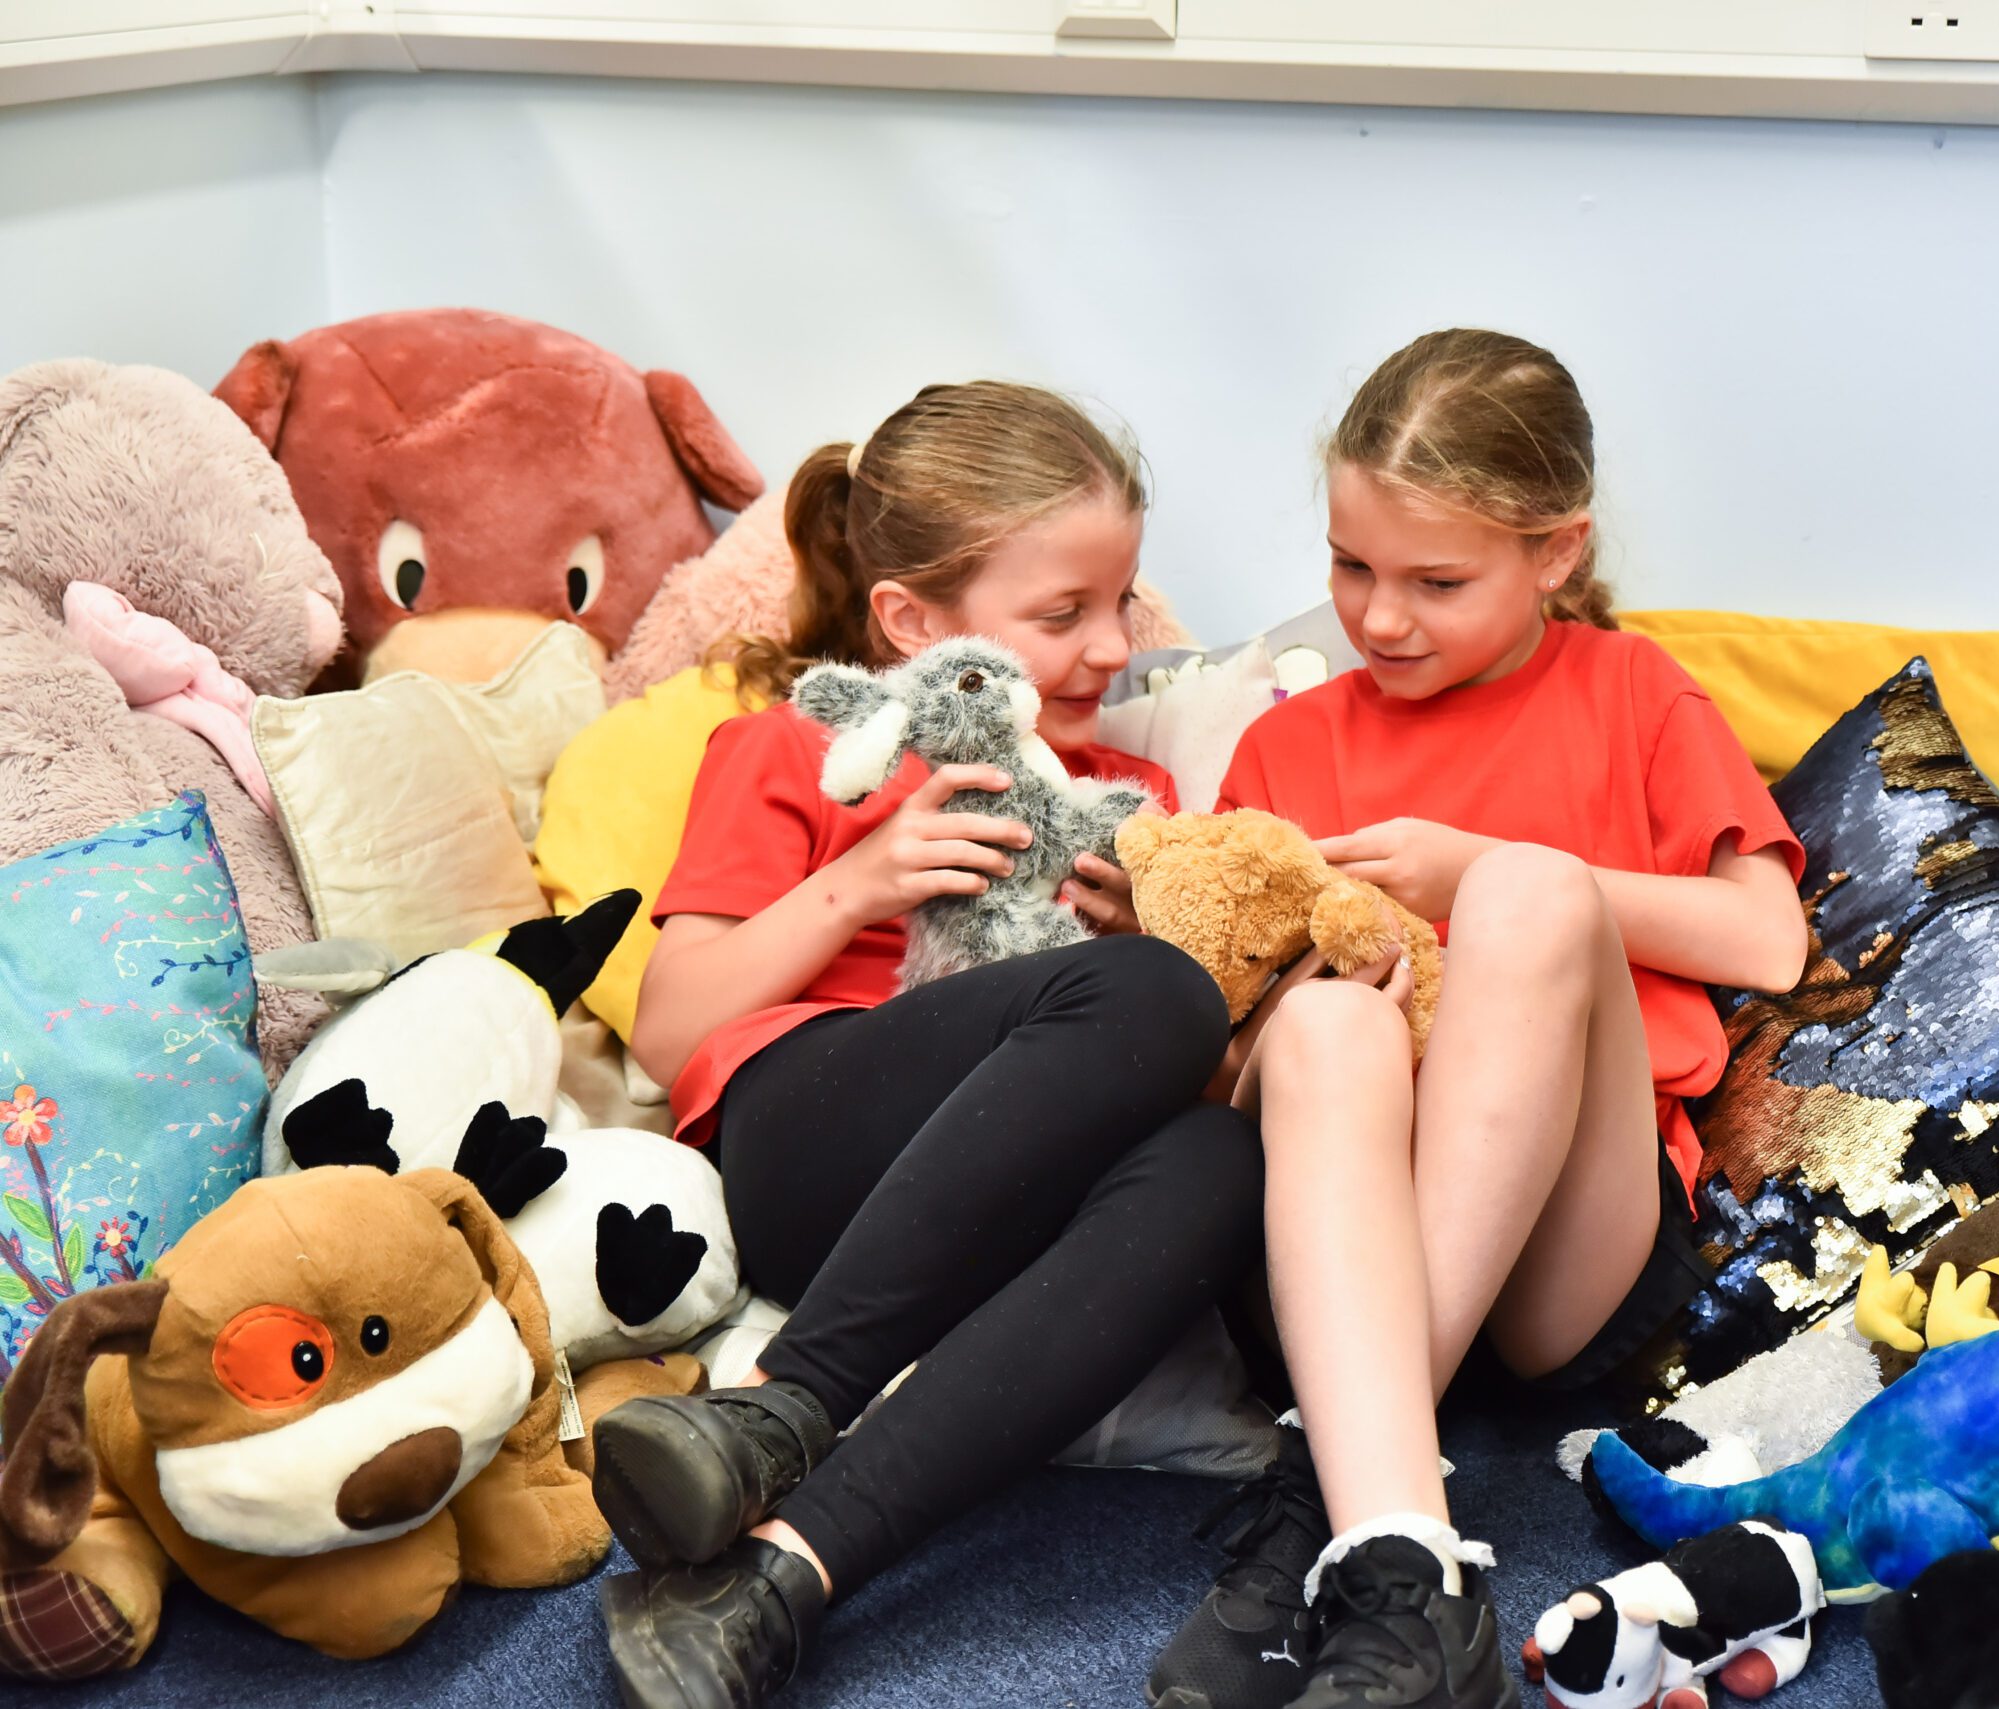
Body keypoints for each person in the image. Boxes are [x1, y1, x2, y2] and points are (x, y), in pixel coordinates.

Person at [1147, 331, 1809, 1709]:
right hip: (1340, 1241)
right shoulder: (1289, 741)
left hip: (1574, 1252)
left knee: (1525, 891)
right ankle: (1389, 1528)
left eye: (1435, 582)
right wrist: (1312, 996)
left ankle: (1315, 1488)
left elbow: (1766, 936)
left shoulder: (1634, 693)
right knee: (1328, 1030)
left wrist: (1466, 869)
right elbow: (1217, 1045)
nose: (1378, 618)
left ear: (1558, 552)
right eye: (1350, 569)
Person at [596, 383, 1262, 1709]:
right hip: (811, 1140)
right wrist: (861, 883)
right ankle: (791, 1396)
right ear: (909, 619)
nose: (1114, 647)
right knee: (1147, 997)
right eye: (1062, 613)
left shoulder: (1137, 803)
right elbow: (674, 1029)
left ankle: (780, 1574)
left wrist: (1161, 940)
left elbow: (1213, 1056)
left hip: (1011, 1207)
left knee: (1219, 1159)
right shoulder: (796, 747)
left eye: (1124, 601)